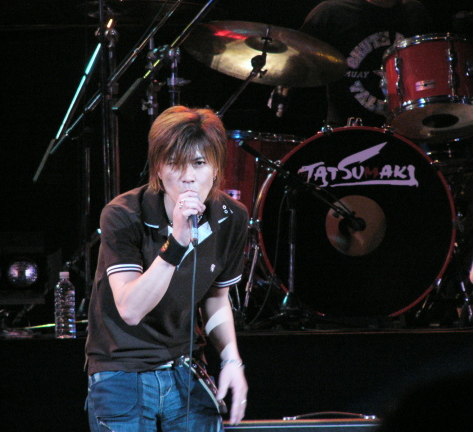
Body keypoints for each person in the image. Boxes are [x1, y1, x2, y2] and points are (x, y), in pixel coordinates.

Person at [84, 105, 249, 431]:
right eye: (175, 163)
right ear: (158, 169)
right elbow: (131, 309)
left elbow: (216, 298)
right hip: (122, 368)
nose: (188, 176)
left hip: (184, 366)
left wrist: (231, 358)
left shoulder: (232, 217)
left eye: (199, 163)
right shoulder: (124, 215)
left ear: (216, 167)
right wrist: (177, 242)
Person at [270, 0, 434, 133]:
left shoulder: (415, 12)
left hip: (406, 130)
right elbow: (295, 60)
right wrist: (285, 86)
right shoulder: (330, 12)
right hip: (345, 131)